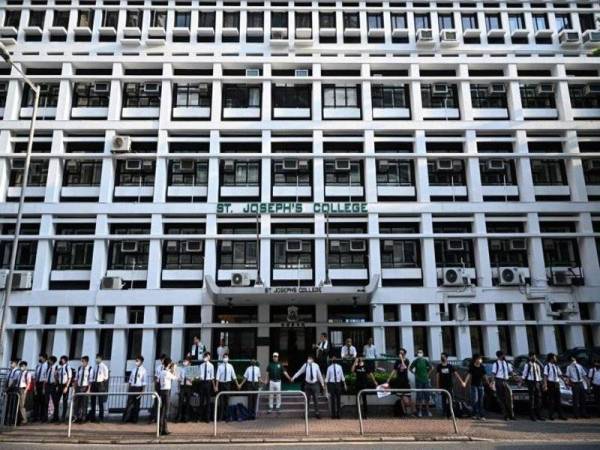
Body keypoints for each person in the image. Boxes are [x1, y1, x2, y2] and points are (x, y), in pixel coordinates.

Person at [436, 352, 464, 418]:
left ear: (446, 358)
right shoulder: (439, 366)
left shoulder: (450, 366)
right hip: (442, 386)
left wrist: (462, 381)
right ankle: (444, 414)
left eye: (443, 357)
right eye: (441, 356)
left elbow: (456, 374)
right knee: (443, 400)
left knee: (450, 399)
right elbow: (437, 376)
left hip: (449, 385)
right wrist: (437, 386)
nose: (442, 358)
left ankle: (451, 413)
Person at [386, 348, 413, 416]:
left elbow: (404, 367)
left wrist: (401, 359)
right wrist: (389, 378)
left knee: (408, 398)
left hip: (405, 381)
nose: (400, 354)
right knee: (401, 398)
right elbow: (394, 370)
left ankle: (411, 412)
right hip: (399, 381)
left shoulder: (407, 360)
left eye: (402, 353)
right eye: (400, 353)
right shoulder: (397, 361)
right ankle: (404, 413)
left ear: (404, 354)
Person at [462, 354, 488, 420]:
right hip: (473, 385)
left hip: (480, 385)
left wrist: (489, 383)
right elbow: (468, 375)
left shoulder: (482, 366)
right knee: (475, 399)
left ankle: (482, 415)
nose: (480, 360)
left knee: (481, 400)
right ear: (476, 359)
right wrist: (465, 382)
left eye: (480, 359)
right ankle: (475, 414)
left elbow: (485, 375)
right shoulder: (472, 366)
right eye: (479, 358)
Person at [521, 351, 545, 421]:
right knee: (532, 399)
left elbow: (539, 374)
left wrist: (541, 383)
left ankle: (539, 415)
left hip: (537, 382)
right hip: (530, 382)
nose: (534, 358)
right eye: (533, 356)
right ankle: (532, 415)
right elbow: (524, 374)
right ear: (529, 357)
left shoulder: (537, 365)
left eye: (535, 356)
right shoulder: (527, 365)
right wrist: (521, 382)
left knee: (539, 399)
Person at [543, 352, 567, 421]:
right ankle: (551, 415)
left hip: (556, 383)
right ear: (551, 359)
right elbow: (545, 376)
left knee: (558, 400)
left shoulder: (556, 367)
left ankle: (560, 415)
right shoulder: (547, 366)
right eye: (554, 357)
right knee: (551, 400)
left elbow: (560, 375)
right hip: (550, 384)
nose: (555, 358)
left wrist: (565, 380)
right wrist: (545, 385)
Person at [492, 350, 515, 421]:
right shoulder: (495, 364)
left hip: (506, 381)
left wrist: (515, 377)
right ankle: (506, 415)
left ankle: (511, 415)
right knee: (501, 399)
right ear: (500, 356)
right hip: (499, 381)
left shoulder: (506, 363)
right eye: (503, 355)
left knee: (509, 398)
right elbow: (493, 374)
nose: (504, 356)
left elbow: (511, 372)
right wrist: (493, 383)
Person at [123, 356, 147, 423]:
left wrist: (143, 390)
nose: (136, 362)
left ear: (141, 362)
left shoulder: (144, 371)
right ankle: (126, 418)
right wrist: (129, 388)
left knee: (136, 404)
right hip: (132, 387)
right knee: (129, 403)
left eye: (138, 361)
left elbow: (144, 381)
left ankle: (134, 419)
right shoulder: (133, 369)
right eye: (136, 360)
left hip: (138, 388)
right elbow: (130, 380)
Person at [215, 353, 239, 421]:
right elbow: (217, 377)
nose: (225, 358)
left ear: (228, 358)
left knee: (227, 401)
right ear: (222, 358)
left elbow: (234, 376)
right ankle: (220, 417)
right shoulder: (220, 366)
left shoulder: (230, 366)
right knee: (221, 402)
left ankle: (227, 417)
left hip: (228, 384)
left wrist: (237, 384)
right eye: (224, 357)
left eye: (226, 357)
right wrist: (216, 386)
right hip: (221, 384)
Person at [409, 349, 432, 417]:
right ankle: (420, 411)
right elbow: (410, 368)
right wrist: (414, 373)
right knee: (419, 396)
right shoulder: (415, 361)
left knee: (427, 396)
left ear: (423, 353)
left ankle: (428, 411)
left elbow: (431, 367)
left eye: (421, 352)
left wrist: (428, 374)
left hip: (425, 380)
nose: (419, 353)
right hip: (418, 380)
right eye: (418, 352)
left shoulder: (425, 361)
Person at [158, 358, 178, 436]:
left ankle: (160, 428)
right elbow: (175, 377)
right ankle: (164, 429)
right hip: (166, 392)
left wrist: (171, 370)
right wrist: (174, 369)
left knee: (162, 410)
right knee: (166, 411)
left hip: (162, 391)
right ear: (169, 364)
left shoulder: (162, 372)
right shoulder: (167, 373)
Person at [88, 354, 109, 423]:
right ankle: (93, 417)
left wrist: (102, 384)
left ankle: (101, 418)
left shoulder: (104, 367)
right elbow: (92, 375)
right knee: (93, 401)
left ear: (101, 359)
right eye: (96, 358)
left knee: (100, 402)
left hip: (100, 384)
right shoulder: (95, 366)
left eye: (98, 358)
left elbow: (106, 377)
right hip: (94, 383)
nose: (97, 359)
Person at [325, 355, 346, 419]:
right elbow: (327, 377)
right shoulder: (329, 368)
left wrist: (345, 384)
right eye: (333, 358)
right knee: (332, 400)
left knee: (338, 399)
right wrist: (325, 385)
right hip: (331, 384)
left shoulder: (339, 367)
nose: (334, 359)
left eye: (335, 358)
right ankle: (333, 414)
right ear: (331, 360)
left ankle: (338, 414)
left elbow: (342, 375)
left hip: (338, 384)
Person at [197, 352, 216, 423]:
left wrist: (214, 386)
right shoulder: (201, 365)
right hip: (202, 383)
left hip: (208, 383)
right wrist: (197, 377)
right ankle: (199, 417)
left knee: (208, 401)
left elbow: (212, 377)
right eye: (205, 356)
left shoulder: (211, 366)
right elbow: (198, 375)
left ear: (209, 357)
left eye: (207, 356)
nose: (206, 358)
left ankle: (207, 418)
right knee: (201, 400)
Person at [54, 355, 72, 423]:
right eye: (61, 359)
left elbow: (69, 377)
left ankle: (63, 417)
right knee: (56, 400)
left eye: (63, 360)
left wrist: (66, 387)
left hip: (65, 385)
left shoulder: (68, 367)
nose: (61, 361)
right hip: (59, 385)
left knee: (65, 401)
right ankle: (56, 417)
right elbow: (57, 377)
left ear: (65, 360)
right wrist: (55, 375)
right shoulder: (60, 368)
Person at [73, 356, 92, 424]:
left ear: (86, 362)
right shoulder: (79, 368)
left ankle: (83, 418)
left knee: (84, 403)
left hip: (85, 387)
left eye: (83, 361)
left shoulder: (90, 369)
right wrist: (75, 388)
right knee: (77, 403)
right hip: (78, 386)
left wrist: (88, 389)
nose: (82, 362)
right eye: (82, 361)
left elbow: (90, 380)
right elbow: (76, 378)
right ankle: (76, 417)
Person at [150, 354, 167, 423]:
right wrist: (155, 387)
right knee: (156, 401)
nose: (162, 360)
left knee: (164, 402)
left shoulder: (167, 367)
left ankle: (162, 418)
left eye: (163, 359)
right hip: (158, 385)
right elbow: (156, 377)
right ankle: (155, 417)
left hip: (164, 386)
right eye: (161, 359)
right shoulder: (158, 367)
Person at [33, 353, 49, 422]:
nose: (40, 358)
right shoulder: (38, 366)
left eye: (41, 357)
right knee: (36, 401)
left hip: (43, 384)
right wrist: (34, 386)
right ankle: (35, 416)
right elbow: (35, 376)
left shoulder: (47, 366)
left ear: (44, 358)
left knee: (43, 401)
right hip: (37, 383)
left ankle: (43, 417)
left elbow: (46, 377)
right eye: (39, 357)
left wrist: (44, 388)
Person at [177, 357, 194, 423]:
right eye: (184, 361)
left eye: (186, 361)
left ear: (189, 363)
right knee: (180, 401)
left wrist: (188, 376)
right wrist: (178, 387)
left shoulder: (192, 369)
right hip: (182, 386)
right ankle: (179, 417)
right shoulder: (181, 369)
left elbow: (193, 380)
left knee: (187, 402)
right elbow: (179, 379)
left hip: (188, 386)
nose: (185, 362)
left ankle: (186, 417)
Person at [4, 360, 20, 426]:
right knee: (8, 405)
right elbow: (7, 379)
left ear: (15, 364)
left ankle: (13, 420)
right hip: (9, 389)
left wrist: (8, 388)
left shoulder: (17, 371)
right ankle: (6, 420)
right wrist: (5, 387)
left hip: (14, 389)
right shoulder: (10, 371)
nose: (11, 364)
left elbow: (15, 381)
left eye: (12, 363)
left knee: (13, 405)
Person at [16, 361, 32, 425]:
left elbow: (29, 382)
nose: (21, 367)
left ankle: (24, 419)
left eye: (23, 366)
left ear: (25, 366)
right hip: (18, 389)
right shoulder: (20, 373)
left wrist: (26, 390)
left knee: (22, 405)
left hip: (23, 389)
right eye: (21, 366)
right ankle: (19, 419)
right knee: (18, 405)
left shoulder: (27, 373)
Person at [45, 356, 58, 424]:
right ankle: (46, 416)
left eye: (49, 360)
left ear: (52, 361)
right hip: (47, 384)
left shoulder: (56, 367)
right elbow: (46, 376)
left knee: (54, 401)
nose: (48, 361)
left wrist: (56, 384)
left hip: (53, 385)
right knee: (46, 401)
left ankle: (54, 417)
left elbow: (56, 376)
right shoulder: (48, 368)